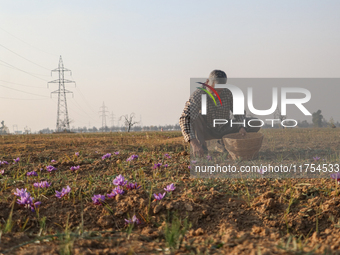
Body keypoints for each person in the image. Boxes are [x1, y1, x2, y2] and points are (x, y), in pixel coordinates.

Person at [179, 70, 261, 157]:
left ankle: (224, 143)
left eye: (220, 91)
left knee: (255, 123)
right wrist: (194, 143)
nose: (216, 94)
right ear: (207, 82)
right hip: (206, 130)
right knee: (195, 117)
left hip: (224, 128)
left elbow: (239, 112)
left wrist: (241, 126)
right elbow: (184, 118)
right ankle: (201, 147)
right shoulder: (198, 95)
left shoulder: (229, 93)